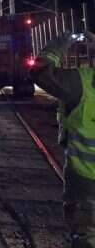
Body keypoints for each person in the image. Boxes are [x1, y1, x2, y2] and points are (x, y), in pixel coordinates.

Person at [30, 31, 95, 247]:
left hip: (86, 178)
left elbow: (40, 70)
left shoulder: (83, 81)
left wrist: (65, 40)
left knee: (86, 235)